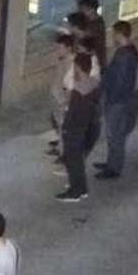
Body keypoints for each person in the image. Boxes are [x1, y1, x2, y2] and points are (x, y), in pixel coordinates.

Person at [96, 21, 138, 179]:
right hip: (121, 100)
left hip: (117, 102)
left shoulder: (123, 55)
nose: (112, 36)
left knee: (115, 135)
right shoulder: (129, 51)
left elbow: (119, 81)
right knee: (113, 134)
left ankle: (114, 168)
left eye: (113, 33)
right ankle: (111, 162)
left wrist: (110, 100)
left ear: (119, 34)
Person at [57, 53, 101, 203]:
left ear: (77, 67)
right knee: (78, 160)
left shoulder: (78, 91)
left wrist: (65, 129)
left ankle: (76, 191)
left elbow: (72, 113)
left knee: (72, 160)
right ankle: (82, 189)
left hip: (75, 130)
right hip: (87, 127)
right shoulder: (94, 83)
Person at [48, 33, 75, 159]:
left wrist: (66, 101)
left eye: (60, 48)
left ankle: (64, 154)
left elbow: (69, 84)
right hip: (57, 98)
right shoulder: (62, 60)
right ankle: (60, 148)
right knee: (58, 124)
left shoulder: (71, 63)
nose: (58, 51)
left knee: (64, 127)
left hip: (63, 100)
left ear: (68, 48)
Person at [77, 0, 107, 70]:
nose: (82, 12)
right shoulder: (87, 20)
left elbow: (84, 34)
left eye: (84, 9)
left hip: (97, 63)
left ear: (92, 9)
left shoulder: (98, 24)